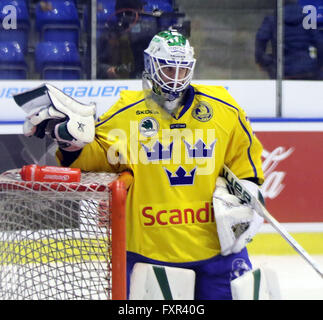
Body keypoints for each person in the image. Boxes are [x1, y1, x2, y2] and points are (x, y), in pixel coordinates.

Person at [14, 29, 265, 300]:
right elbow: (97, 157)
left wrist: (250, 188)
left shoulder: (223, 108)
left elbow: (244, 155)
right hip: (150, 251)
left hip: (219, 249)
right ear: (150, 65)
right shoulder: (127, 111)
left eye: (183, 70)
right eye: (168, 68)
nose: (176, 78)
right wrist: (70, 144)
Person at [255, 0, 323, 80]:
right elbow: (320, 43)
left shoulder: (272, 19)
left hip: (282, 70)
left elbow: (260, 40)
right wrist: (318, 65)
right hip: (307, 69)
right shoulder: (307, 20)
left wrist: (266, 62)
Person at [97, 0, 157, 79]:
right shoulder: (108, 37)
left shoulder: (150, 34)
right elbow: (93, 65)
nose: (144, 11)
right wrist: (108, 70)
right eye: (141, 9)